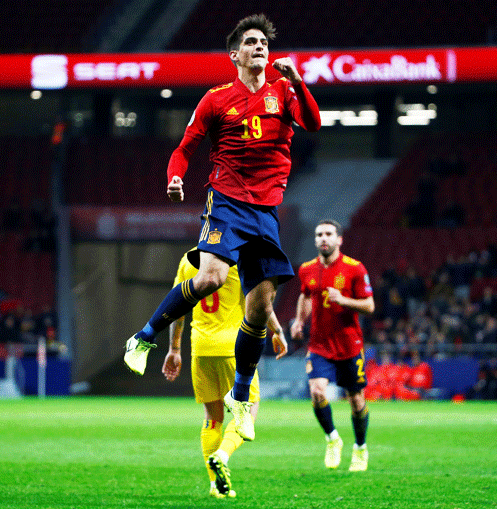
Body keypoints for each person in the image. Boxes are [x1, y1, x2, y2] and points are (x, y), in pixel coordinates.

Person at [124, 13, 321, 443]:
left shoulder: (284, 91)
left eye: (264, 42)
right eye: (251, 42)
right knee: (212, 277)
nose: (260, 47)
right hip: (227, 200)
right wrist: (176, 176)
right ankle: (143, 338)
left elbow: (313, 122)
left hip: (266, 211)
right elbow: (185, 147)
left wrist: (299, 79)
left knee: (259, 305)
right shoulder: (216, 99)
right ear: (235, 54)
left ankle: (240, 397)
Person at [162, 250, 288, 499]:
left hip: (201, 348)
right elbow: (260, 303)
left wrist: (174, 349)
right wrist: (278, 331)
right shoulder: (241, 258)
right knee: (249, 409)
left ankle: (214, 485)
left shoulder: (187, 260)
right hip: (234, 348)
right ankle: (222, 455)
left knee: (212, 418)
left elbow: (177, 306)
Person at [291, 219, 375, 472]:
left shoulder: (355, 268)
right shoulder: (306, 269)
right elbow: (305, 295)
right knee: (317, 391)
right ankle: (332, 439)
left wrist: (345, 300)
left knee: (356, 400)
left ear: (339, 239)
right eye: (319, 234)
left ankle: (360, 448)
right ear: (316, 240)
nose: (323, 238)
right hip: (319, 344)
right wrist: (298, 321)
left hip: (349, 345)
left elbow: (369, 306)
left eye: (328, 234)